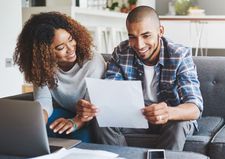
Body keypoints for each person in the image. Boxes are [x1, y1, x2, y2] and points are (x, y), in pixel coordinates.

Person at [81, 6, 203, 150]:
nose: (139, 45)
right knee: (99, 120)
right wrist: (93, 106)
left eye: (146, 36)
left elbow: (195, 107)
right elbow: (112, 93)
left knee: (179, 124)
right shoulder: (122, 52)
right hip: (135, 118)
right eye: (132, 37)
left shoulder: (179, 55)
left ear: (160, 31)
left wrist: (168, 112)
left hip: (170, 119)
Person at [13, 12, 105, 142]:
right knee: (33, 130)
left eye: (71, 39)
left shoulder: (93, 61)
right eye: (60, 47)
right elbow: (43, 100)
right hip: (64, 112)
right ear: (44, 52)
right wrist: (39, 120)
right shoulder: (41, 66)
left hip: (90, 117)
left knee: (82, 138)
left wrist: (74, 122)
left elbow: (92, 108)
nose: (71, 49)